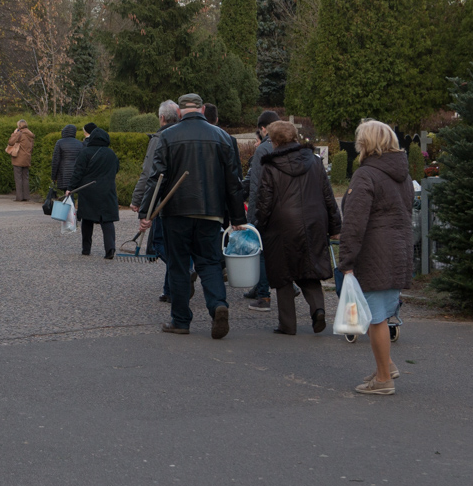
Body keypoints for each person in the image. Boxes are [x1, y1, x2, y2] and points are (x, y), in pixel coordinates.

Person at [138, 93, 246, 339]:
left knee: (178, 265)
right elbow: (234, 182)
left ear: (179, 112)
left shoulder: (167, 136)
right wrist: (238, 218)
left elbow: (156, 178)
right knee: (209, 262)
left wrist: (146, 213)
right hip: (211, 212)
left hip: (176, 212)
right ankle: (218, 304)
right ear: (203, 108)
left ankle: (181, 320)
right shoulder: (223, 137)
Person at [339, 120, 414, 396]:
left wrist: (346, 261)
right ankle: (387, 365)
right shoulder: (402, 175)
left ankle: (383, 378)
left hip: (374, 253)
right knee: (378, 313)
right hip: (398, 250)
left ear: (366, 143)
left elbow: (355, 222)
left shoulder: (366, 174)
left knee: (375, 317)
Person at [254, 121, 341, 335]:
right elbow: (328, 196)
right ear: (295, 137)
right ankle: (318, 309)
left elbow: (264, 201)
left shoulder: (271, 166)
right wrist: (335, 225)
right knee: (310, 269)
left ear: (273, 141)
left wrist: (259, 225)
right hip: (314, 221)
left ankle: (287, 324)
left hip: (281, 224)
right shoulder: (314, 162)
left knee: (283, 273)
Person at [130, 100, 180, 302]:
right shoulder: (183, 136)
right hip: (185, 200)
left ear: (161, 118)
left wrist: (138, 200)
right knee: (176, 244)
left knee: (160, 243)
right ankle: (170, 289)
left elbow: (149, 173)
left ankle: (183, 271)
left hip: (162, 201)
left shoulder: (160, 138)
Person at [242, 110, 281, 310]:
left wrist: (252, 217)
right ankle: (261, 288)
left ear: (264, 128)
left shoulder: (262, 150)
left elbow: (256, 184)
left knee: (261, 251)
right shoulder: (289, 146)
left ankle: (264, 295)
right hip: (285, 207)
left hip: (265, 207)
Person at [66, 127, 120, 259]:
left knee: (87, 219)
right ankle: (110, 249)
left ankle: (86, 249)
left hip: (88, 189)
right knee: (107, 220)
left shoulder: (85, 152)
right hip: (107, 190)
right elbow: (116, 169)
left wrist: (70, 187)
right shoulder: (111, 154)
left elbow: (78, 172)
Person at [8, 119, 35, 201]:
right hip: (27, 158)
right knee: (25, 178)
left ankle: (19, 197)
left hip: (18, 158)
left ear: (19, 125)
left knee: (18, 178)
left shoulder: (20, 133)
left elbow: (10, 142)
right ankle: (26, 196)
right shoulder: (30, 134)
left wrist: (14, 133)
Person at [51, 124, 83, 192]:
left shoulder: (60, 142)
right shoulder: (80, 143)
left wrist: (54, 176)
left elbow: (55, 161)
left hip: (63, 173)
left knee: (66, 194)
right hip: (75, 173)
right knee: (71, 192)